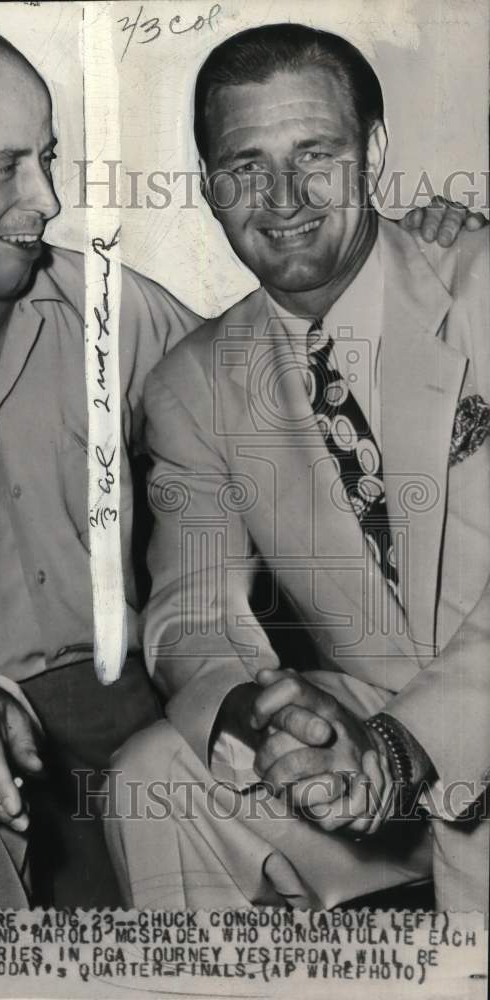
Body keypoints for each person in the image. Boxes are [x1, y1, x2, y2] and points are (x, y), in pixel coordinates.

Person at [0, 14, 475, 911]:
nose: (49, 197)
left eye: (47, 158)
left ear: (371, 149)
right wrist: (254, 709)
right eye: (7, 166)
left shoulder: (114, 311)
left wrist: (426, 248)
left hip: (178, 699)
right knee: (74, 783)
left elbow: (308, 304)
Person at [105, 23, 490, 913]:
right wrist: (257, 712)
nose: (281, 197)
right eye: (245, 165)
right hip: (357, 741)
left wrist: (403, 747)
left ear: (373, 153)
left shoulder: (478, 282)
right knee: (153, 777)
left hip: (447, 724)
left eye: (314, 152)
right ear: (209, 187)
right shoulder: (194, 382)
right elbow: (189, 611)